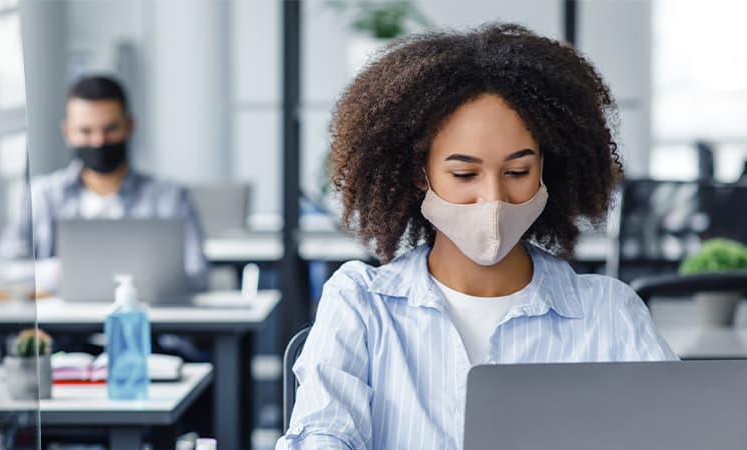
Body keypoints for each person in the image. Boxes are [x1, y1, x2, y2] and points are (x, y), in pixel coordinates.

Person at [278, 23, 676, 450]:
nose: (494, 199)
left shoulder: (609, 314)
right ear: (419, 174)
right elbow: (323, 436)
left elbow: (681, 432)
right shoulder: (361, 304)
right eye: (465, 174)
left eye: (518, 172)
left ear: (548, 168)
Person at [0, 75, 208, 292]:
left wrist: (145, 278)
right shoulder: (43, 196)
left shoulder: (169, 197)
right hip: (60, 324)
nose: (98, 141)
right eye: (86, 131)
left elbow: (197, 273)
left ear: (129, 126)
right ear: (67, 132)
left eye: (110, 129)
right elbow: (0, 271)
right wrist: (57, 273)